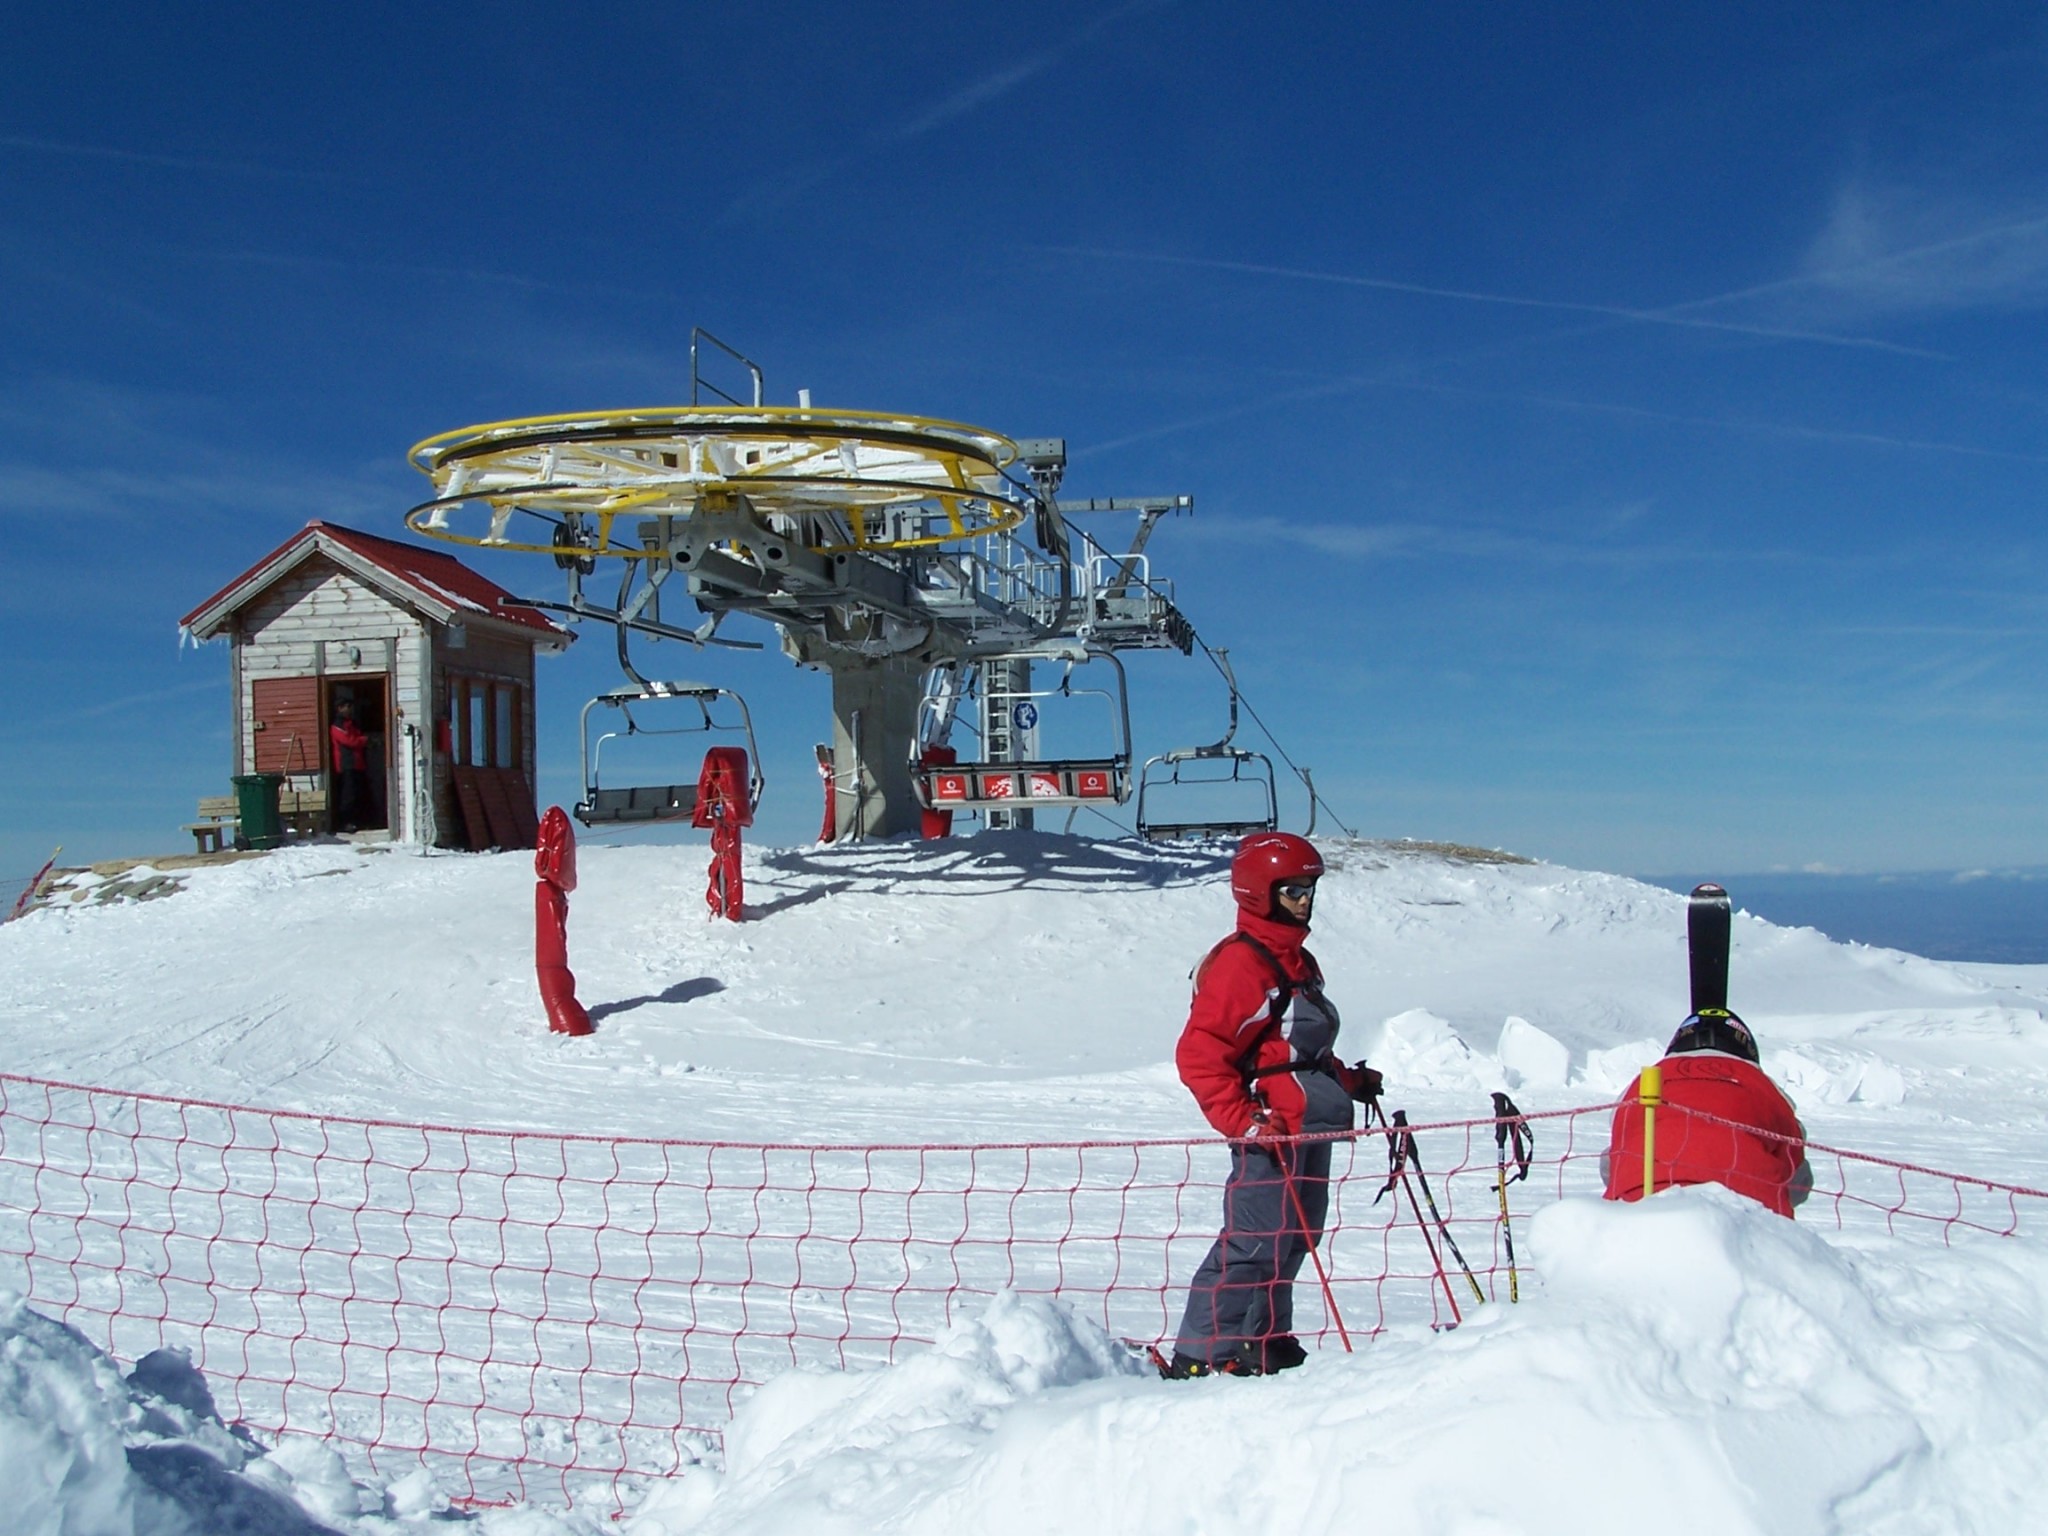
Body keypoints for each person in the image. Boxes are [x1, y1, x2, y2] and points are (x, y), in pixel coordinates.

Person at [1165, 832, 1383, 1378]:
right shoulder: (1244, 964)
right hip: (1271, 1130)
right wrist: (1244, 1121)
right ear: (1259, 893)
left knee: (1294, 1240)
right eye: (1292, 890)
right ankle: (1204, 1353)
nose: (1305, 901)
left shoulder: (1298, 962)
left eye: (1309, 889)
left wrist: (1347, 1083)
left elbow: (1297, 1049)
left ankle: (1263, 1340)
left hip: (1309, 1126)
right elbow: (1201, 1054)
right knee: (1254, 1243)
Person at [1603, 1010, 1812, 1217]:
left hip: (1635, 1208)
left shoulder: (1642, 1081)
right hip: (1750, 1214)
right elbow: (1797, 1177)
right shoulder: (1763, 1086)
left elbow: (1611, 1161)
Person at [330, 700, 370, 834]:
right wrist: (364, 740)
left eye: (351, 707)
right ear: (339, 708)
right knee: (347, 796)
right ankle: (345, 822)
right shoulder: (337, 725)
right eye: (347, 707)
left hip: (358, 764)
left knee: (359, 794)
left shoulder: (352, 724)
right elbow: (349, 741)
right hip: (345, 765)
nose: (350, 710)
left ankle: (358, 821)